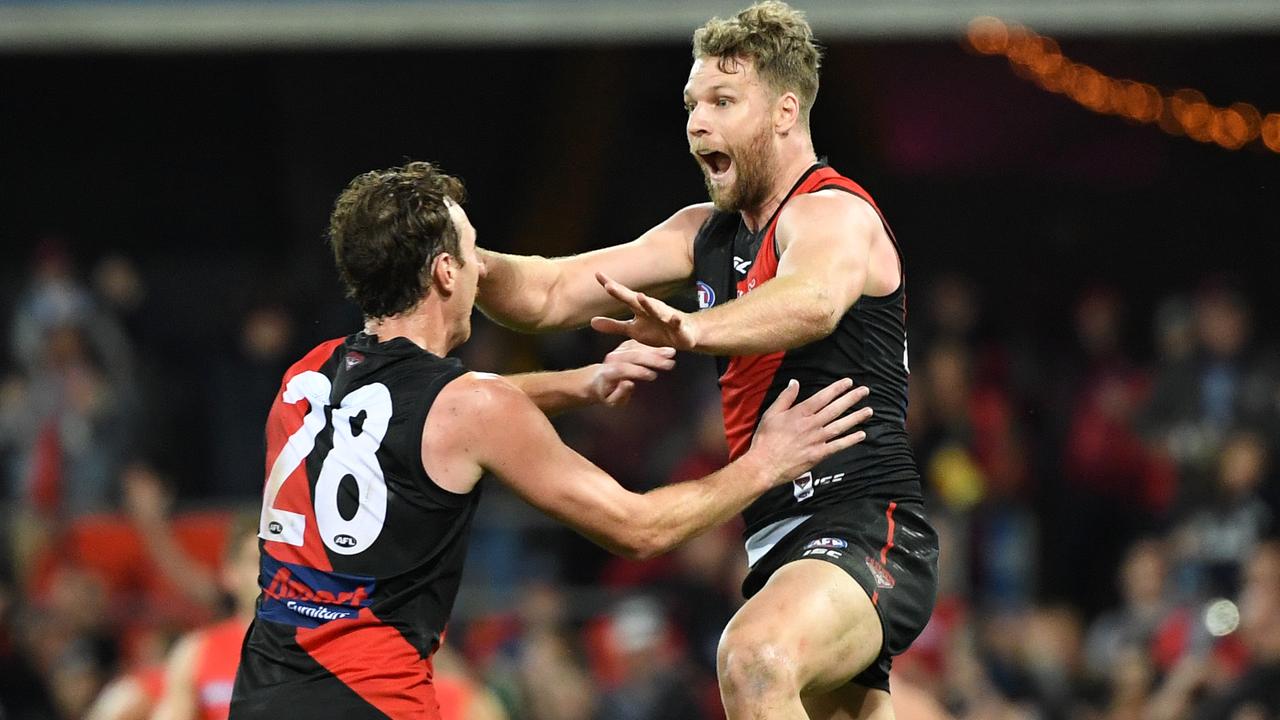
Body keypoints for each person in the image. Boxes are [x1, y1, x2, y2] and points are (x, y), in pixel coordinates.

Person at [228, 160, 872, 719]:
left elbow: (426, 412)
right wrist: (764, 463)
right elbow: (639, 527)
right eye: (476, 256)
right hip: (373, 700)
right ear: (448, 273)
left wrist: (583, 382)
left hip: (260, 689)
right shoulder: (471, 408)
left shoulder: (305, 375)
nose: (483, 274)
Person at [474, 2, 938, 717]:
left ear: (786, 112)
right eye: (692, 103)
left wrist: (691, 330)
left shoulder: (834, 213)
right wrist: (458, 261)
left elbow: (812, 300)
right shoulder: (702, 235)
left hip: (866, 526)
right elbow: (546, 292)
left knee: (754, 657)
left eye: (723, 101)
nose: (697, 123)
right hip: (778, 545)